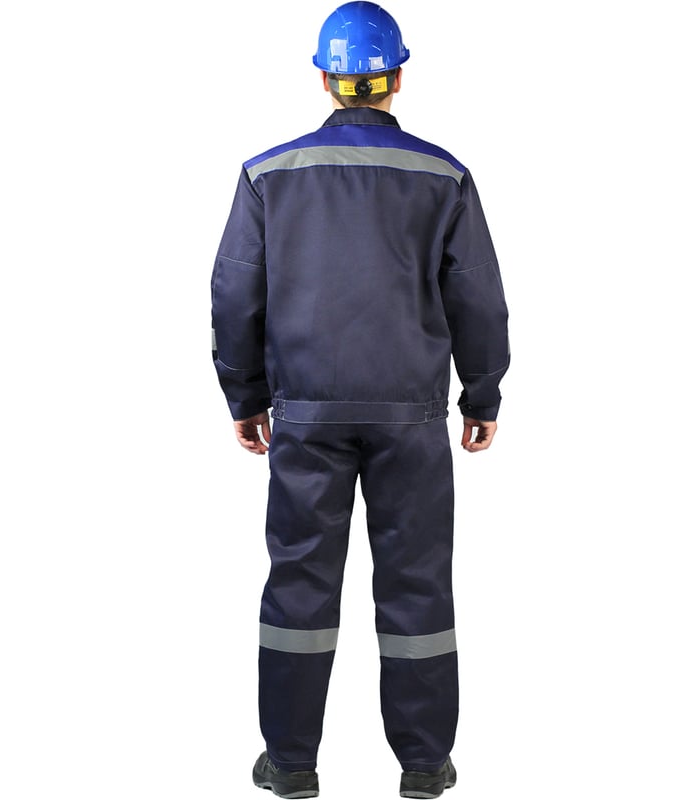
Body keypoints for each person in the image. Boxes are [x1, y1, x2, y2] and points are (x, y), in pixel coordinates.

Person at [210, 3, 509, 797]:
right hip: (411, 418)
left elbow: (235, 294)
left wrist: (244, 395)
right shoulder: (443, 176)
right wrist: (482, 394)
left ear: (324, 79)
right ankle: (423, 765)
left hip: (305, 415)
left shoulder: (268, 175)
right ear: (397, 76)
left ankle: (291, 764)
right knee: (417, 582)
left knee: (299, 583)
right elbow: (478, 296)